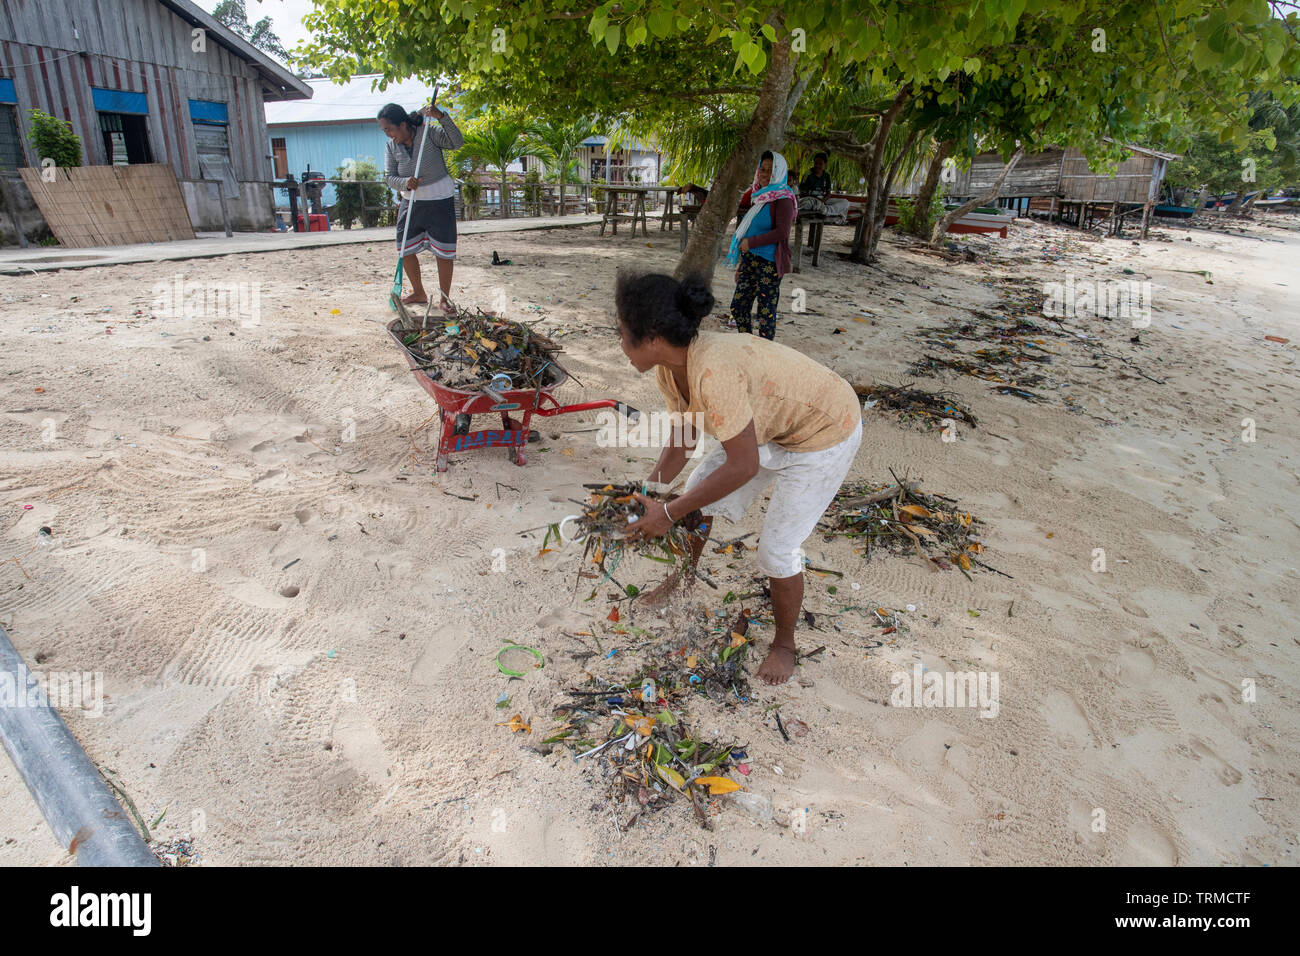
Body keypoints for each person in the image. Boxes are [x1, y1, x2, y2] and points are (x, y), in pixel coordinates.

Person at [614, 270, 863, 685]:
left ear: (654, 337)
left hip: (826, 429)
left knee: (777, 550)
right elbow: (683, 439)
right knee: (696, 497)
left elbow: (743, 464)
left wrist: (668, 514)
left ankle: (785, 644)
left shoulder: (714, 372)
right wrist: (649, 492)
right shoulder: (670, 366)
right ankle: (684, 579)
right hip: (772, 425)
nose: (621, 345)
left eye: (623, 334)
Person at [379, 99, 464, 315]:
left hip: (439, 198)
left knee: (443, 251)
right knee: (404, 247)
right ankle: (419, 292)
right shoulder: (391, 146)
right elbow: (389, 176)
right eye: (384, 130)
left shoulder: (429, 133)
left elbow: (457, 142)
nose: (388, 134)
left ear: (403, 124)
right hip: (411, 200)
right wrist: (404, 182)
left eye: (389, 128)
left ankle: (445, 299)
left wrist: (441, 117)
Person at [725, 151, 797, 340]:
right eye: (762, 169)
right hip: (750, 260)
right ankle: (747, 343)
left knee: (766, 314)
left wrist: (752, 242)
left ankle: (763, 354)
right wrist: (742, 264)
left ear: (779, 172)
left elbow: (782, 233)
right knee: (738, 306)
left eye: (770, 170)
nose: (764, 174)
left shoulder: (784, 199)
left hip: (769, 263)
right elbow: (752, 230)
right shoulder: (760, 197)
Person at [798, 152, 850, 222]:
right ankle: (827, 211)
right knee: (806, 204)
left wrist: (822, 201)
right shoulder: (808, 174)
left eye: (820, 164)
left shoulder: (827, 175)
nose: (817, 166)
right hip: (811, 200)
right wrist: (818, 201)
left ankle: (825, 211)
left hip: (823, 200)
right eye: (816, 163)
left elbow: (828, 193)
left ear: (825, 164)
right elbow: (803, 194)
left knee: (845, 202)